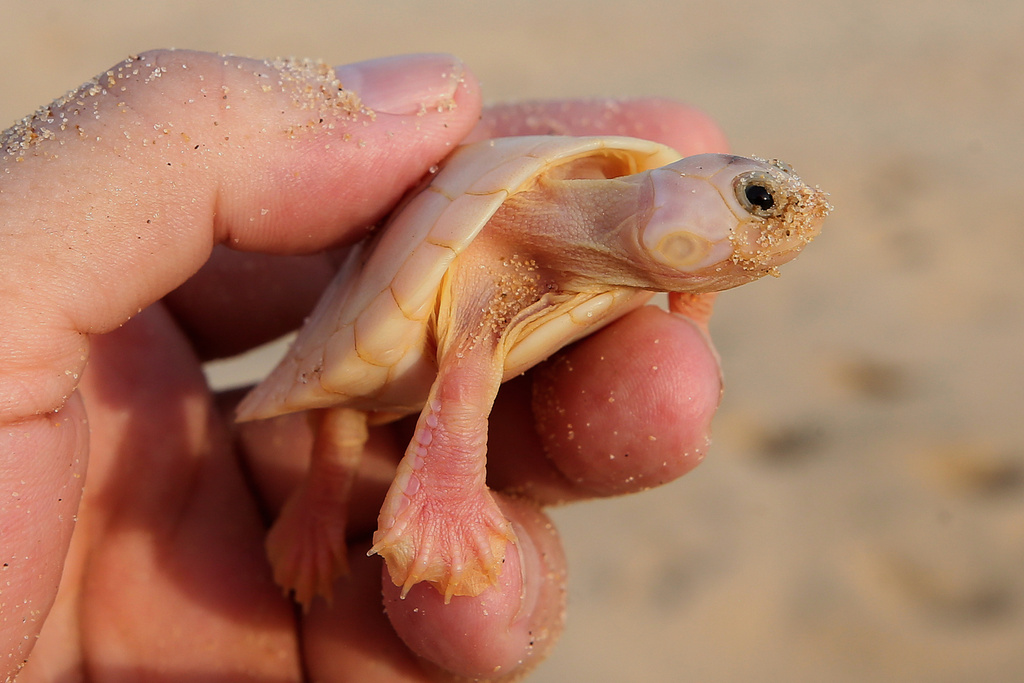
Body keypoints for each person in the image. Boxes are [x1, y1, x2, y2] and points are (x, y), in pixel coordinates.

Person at [0, 51, 726, 681]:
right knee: (354, 419)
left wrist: (691, 301)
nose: (782, 223)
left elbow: (686, 262)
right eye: (756, 199)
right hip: (402, 322)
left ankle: (331, 510)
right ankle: (324, 509)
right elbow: (463, 375)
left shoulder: (635, 231)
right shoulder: (549, 208)